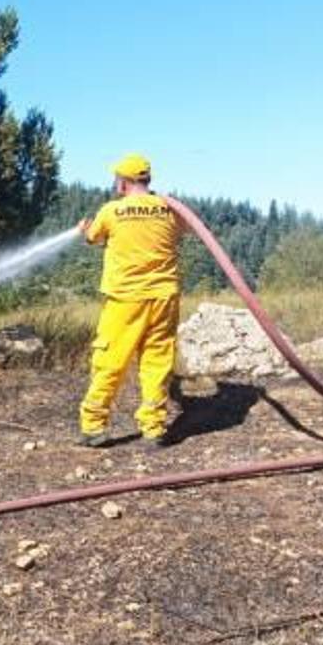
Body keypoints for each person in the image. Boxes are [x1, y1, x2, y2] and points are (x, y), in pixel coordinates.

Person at [75, 153, 184, 449]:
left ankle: (93, 426)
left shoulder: (112, 211)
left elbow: (93, 238)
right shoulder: (169, 209)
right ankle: (154, 428)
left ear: (123, 182)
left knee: (110, 360)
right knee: (157, 361)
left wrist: (84, 230)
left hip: (126, 299)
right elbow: (182, 232)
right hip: (164, 297)